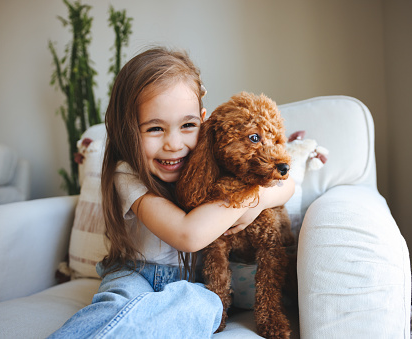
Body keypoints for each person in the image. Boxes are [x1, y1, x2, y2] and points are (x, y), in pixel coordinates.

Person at [48, 46, 295, 338]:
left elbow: (288, 183)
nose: (174, 144)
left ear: (204, 121)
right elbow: (188, 235)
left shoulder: (210, 158)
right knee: (114, 307)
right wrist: (250, 198)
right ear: (127, 130)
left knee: (205, 306)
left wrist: (263, 197)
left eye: (188, 125)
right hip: (135, 273)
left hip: (194, 283)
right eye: (155, 129)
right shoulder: (126, 173)